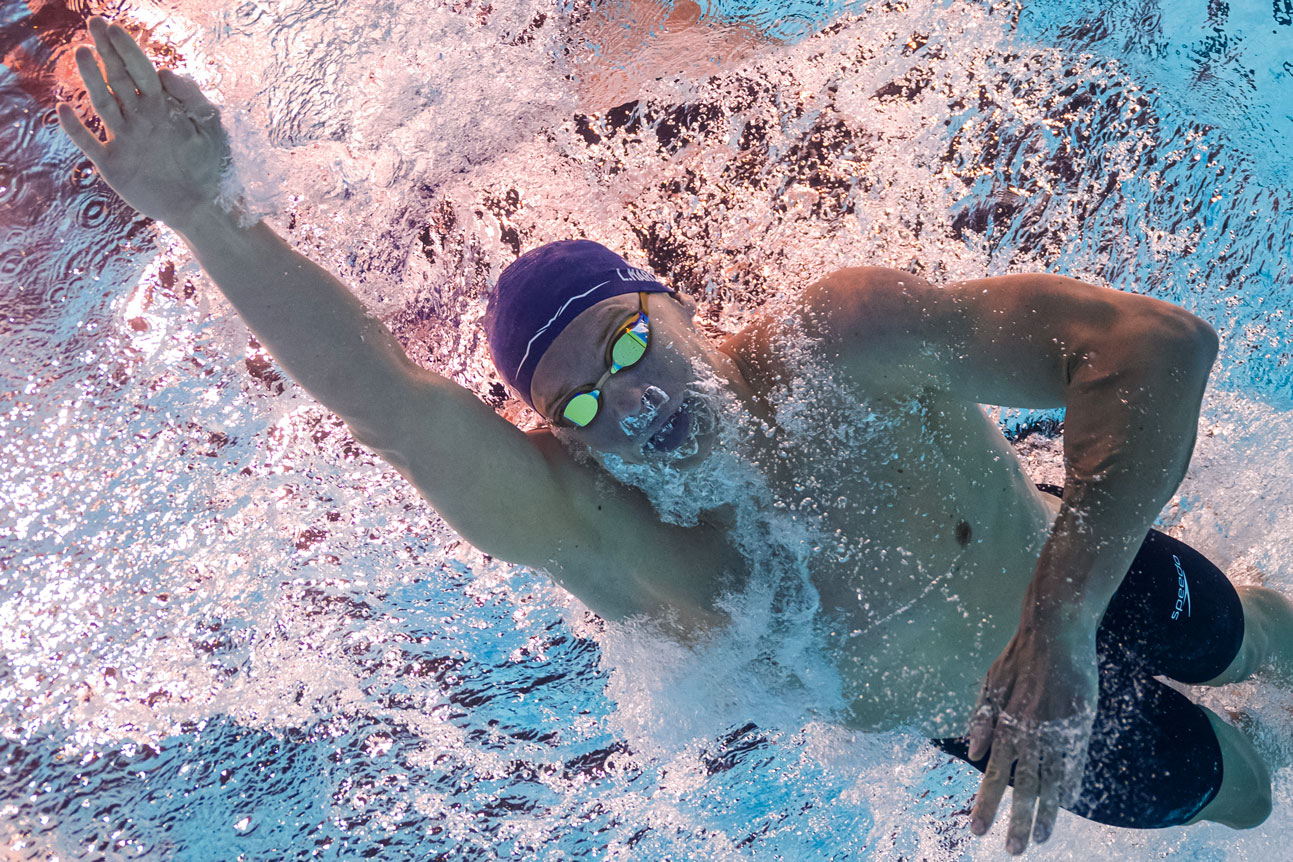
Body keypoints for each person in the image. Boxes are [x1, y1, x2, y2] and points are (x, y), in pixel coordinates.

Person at [58, 16, 1292, 855]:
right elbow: (389, 398)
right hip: (1000, 732)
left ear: (679, 301)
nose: (630, 403)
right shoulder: (617, 542)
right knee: (1240, 795)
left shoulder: (846, 345)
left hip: (1088, 581)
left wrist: (1061, 618)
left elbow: (1155, 348)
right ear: (570, 445)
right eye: (584, 405)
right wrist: (208, 215)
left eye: (630, 345)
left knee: (1257, 633)